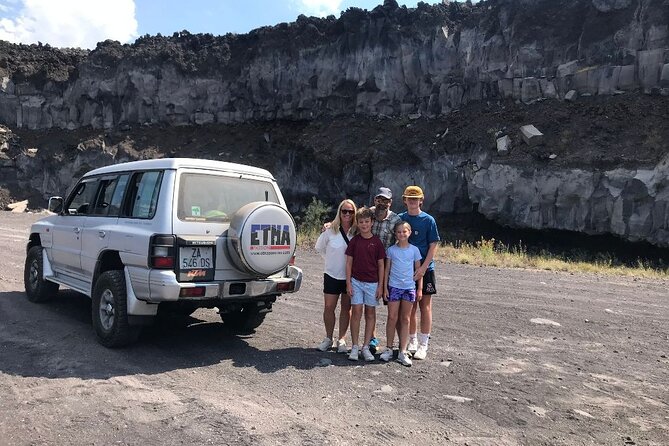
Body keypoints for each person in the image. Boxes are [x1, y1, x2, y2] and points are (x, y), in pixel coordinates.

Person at [399, 186, 440, 360]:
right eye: (410, 198)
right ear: (405, 200)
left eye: (416, 199)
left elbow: (433, 245)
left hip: (426, 269)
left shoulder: (428, 220)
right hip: (406, 270)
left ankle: (424, 343)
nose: (413, 201)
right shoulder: (400, 219)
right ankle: (413, 340)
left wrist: (423, 268)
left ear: (421, 200)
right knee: (411, 307)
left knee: (425, 306)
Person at [314, 199, 357, 353]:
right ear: (339, 212)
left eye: (350, 211)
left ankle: (342, 339)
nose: (347, 214)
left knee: (346, 308)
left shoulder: (357, 232)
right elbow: (319, 248)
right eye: (344, 211)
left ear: (354, 214)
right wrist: (330, 262)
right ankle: (328, 338)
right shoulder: (330, 231)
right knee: (329, 307)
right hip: (332, 274)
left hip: (349, 277)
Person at [345, 207, 386, 361]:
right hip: (356, 282)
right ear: (358, 223)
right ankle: (354, 346)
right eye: (361, 222)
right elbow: (348, 263)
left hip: (372, 284)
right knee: (356, 312)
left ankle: (366, 346)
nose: (364, 225)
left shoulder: (377, 242)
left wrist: (381, 286)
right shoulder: (355, 241)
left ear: (372, 222)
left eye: (367, 222)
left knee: (370, 314)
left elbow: (381, 265)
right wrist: (348, 283)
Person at [381, 221, 422, 367]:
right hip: (394, 287)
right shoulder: (391, 250)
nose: (401, 234)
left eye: (404, 231)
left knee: (405, 319)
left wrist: (420, 289)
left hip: (409, 288)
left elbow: (418, 271)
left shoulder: (414, 250)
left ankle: (402, 351)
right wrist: (385, 288)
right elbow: (386, 270)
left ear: (409, 232)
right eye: (398, 232)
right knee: (392, 317)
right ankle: (389, 348)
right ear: (395, 234)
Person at [367, 187, 402, 353]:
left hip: (389, 269)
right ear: (375, 200)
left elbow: (402, 241)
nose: (382, 203)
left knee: (394, 309)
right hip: (368, 267)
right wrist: (331, 224)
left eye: (386, 200)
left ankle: (396, 344)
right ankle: (372, 340)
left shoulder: (396, 219)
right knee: (370, 306)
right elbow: (348, 222)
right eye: (379, 199)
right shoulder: (366, 214)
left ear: (391, 202)